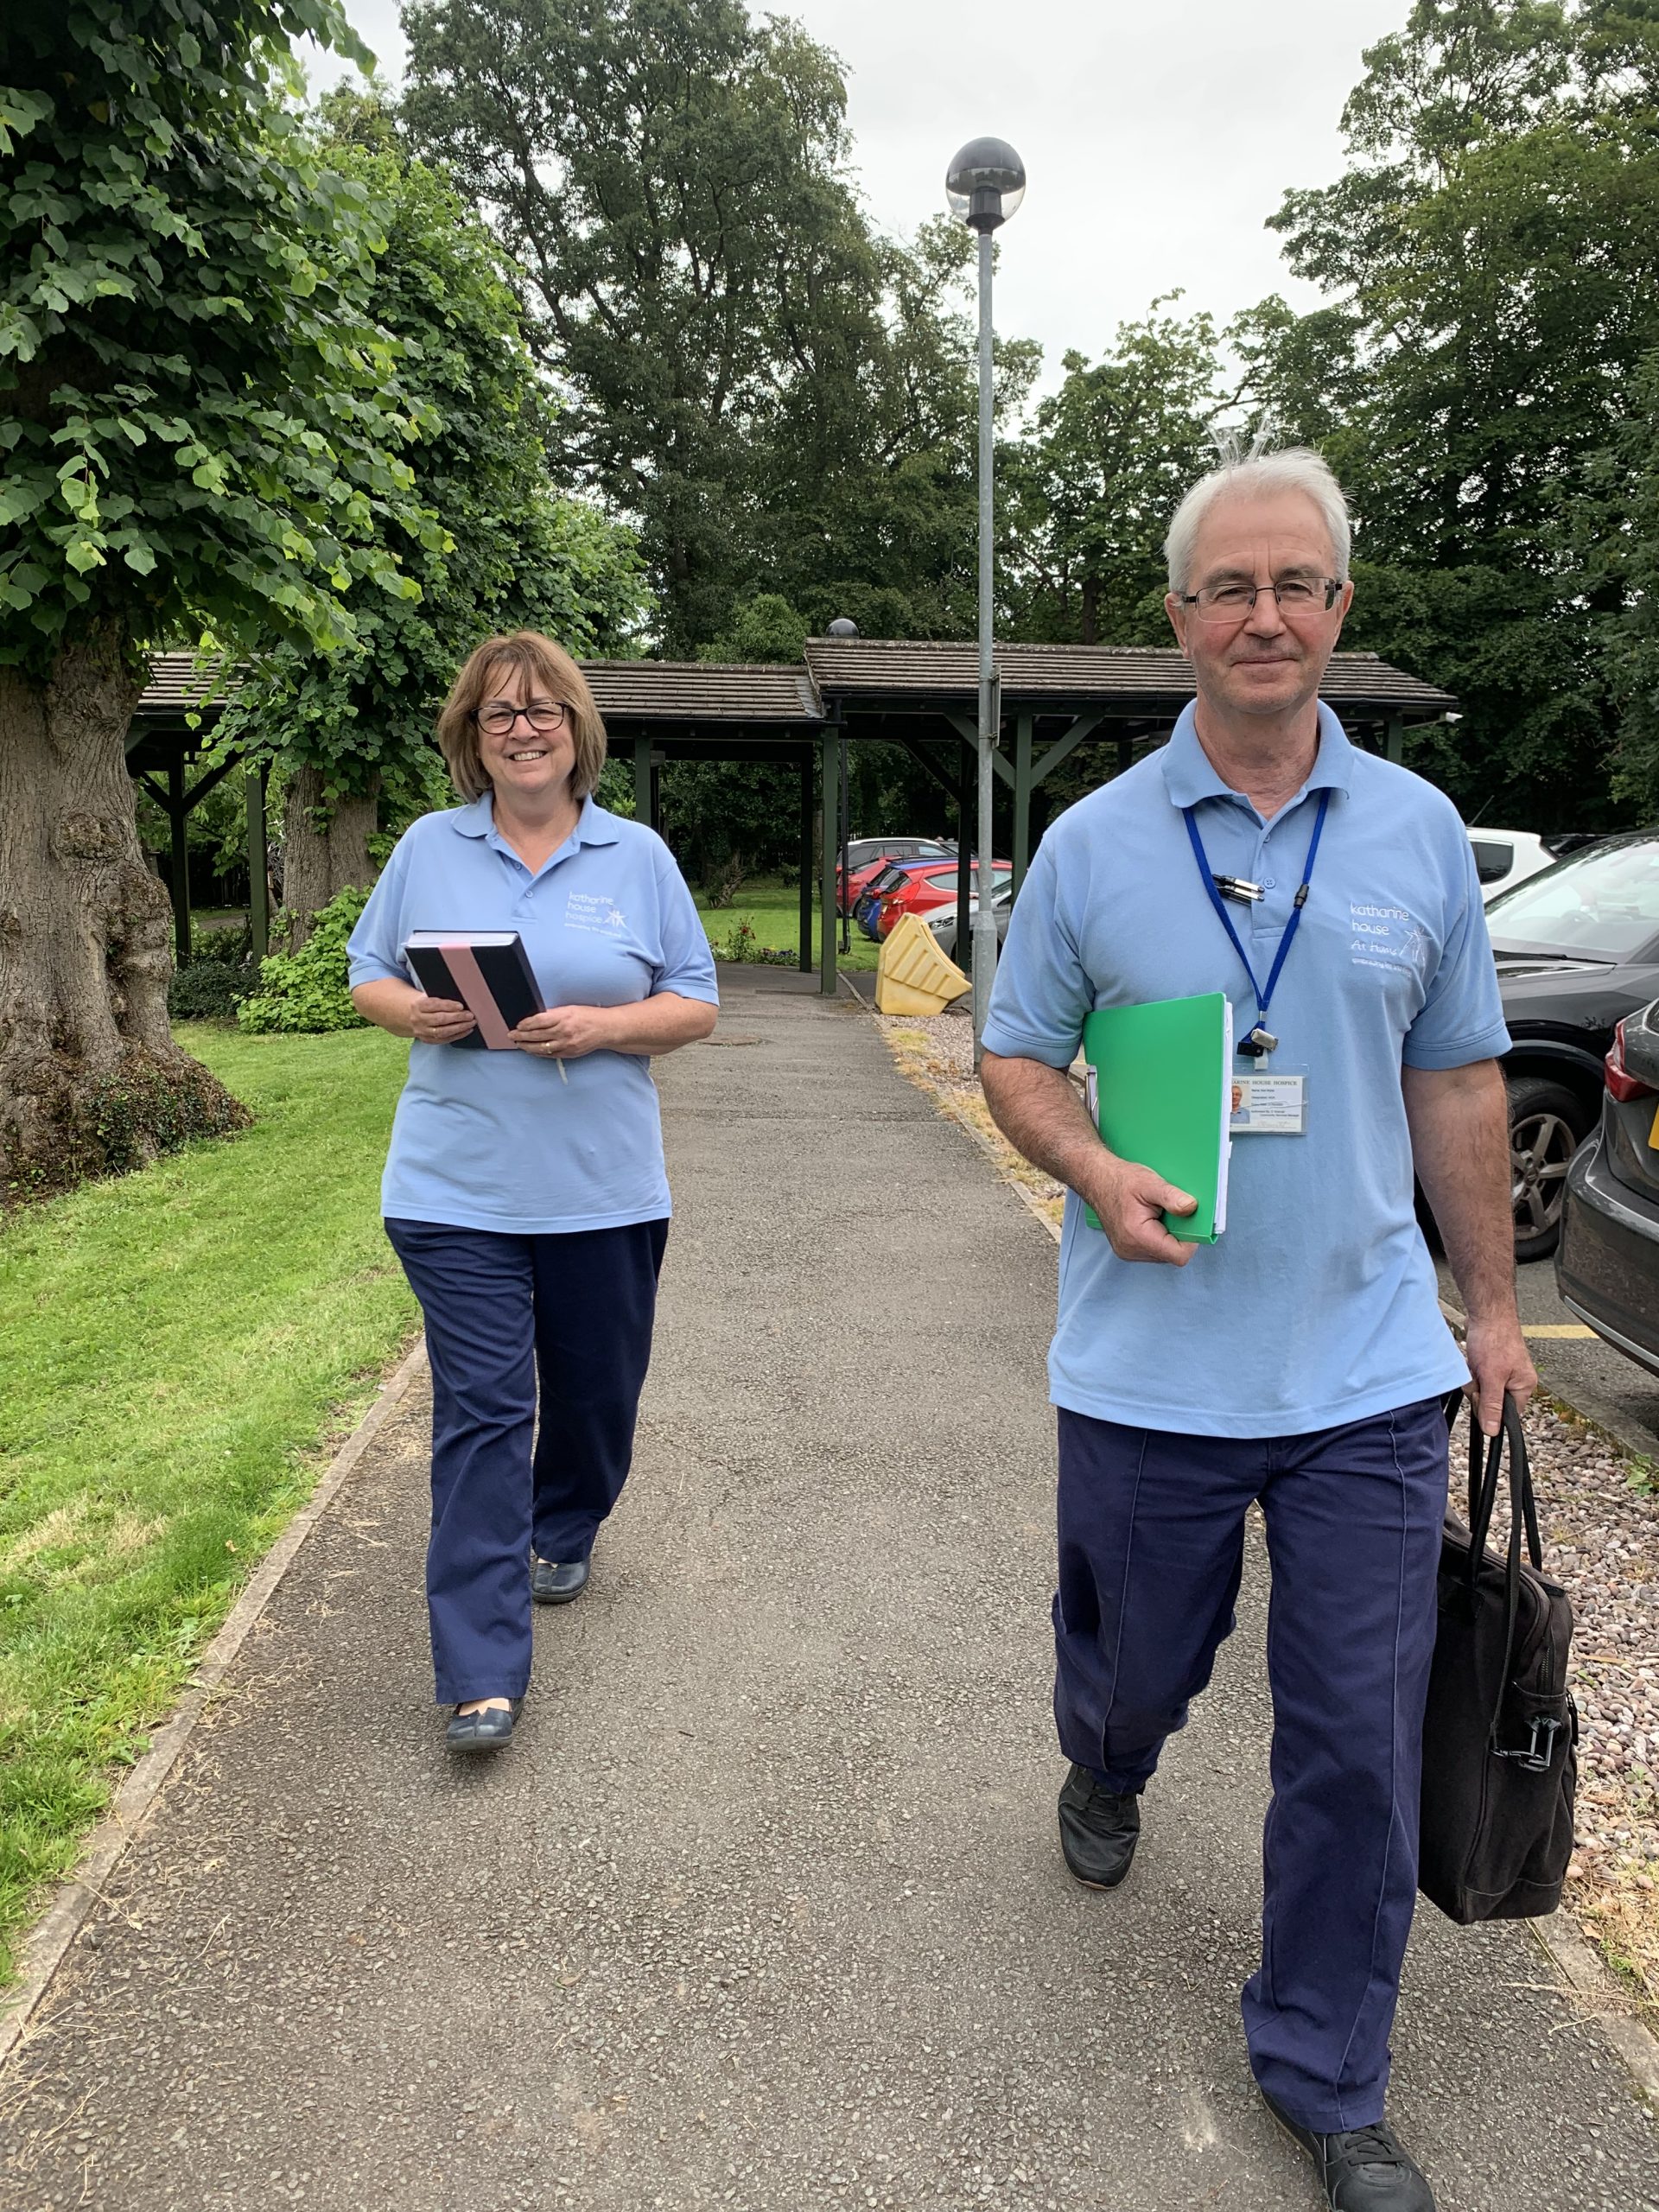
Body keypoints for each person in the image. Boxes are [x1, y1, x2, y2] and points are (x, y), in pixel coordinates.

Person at [979, 449, 1533, 2212]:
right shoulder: (1091, 845)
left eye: (1298, 583)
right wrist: (1083, 1158)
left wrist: (1496, 1307)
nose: (1266, 614)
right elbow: (1010, 1054)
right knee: (1142, 1654)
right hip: (1150, 1361)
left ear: (1341, 611)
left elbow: (1455, 1076)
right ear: (1181, 619)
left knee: (1360, 1737)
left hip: (1367, 1366)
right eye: (1231, 586)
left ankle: (1327, 2066)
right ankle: (1110, 1747)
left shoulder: (1421, 834)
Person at [347, 632, 718, 1754]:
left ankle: (569, 1522)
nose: (522, 727)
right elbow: (368, 972)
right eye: (499, 713)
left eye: (542, 708)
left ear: (576, 727)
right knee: (485, 1414)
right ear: (473, 734)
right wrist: (411, 1011)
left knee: (596, 1397)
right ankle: (478, 1671)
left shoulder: (636, 857)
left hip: (604, 1190)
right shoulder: (428, 847)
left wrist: (604, 1027)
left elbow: (694, 1002)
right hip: (454, 1185)